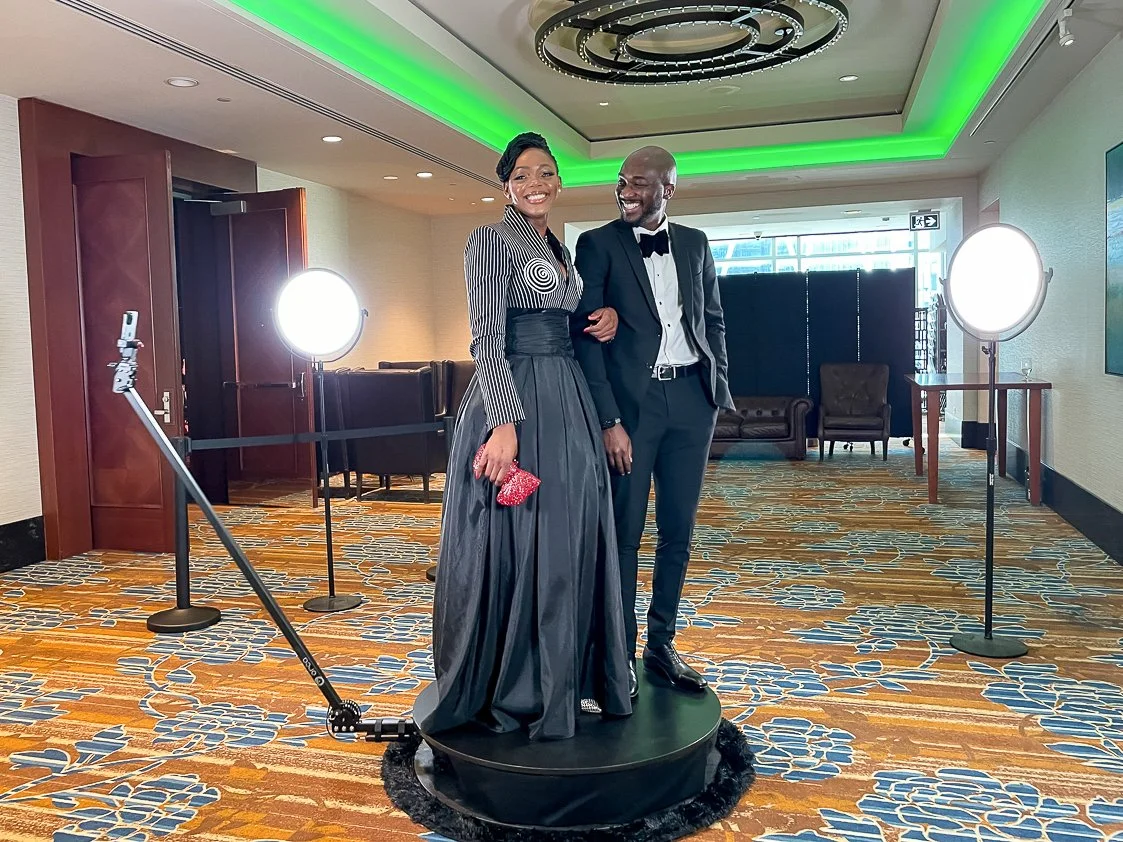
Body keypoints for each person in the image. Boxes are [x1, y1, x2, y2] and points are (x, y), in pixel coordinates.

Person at [419, 132, 633, 742]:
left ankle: (565, 677)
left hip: (566, 394)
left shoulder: (557, 246)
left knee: (568, 532)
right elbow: (487, 335)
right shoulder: (490, 238)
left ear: (559, 180)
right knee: (520, 535)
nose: (535, 183)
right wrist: (504, 422)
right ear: (505, 185)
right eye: (522, 175)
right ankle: (518, 685)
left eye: (546, 172)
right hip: (516, 397)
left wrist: (604, 320)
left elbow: (566, 316)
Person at [572, 146, 734, 697]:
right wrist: (608, 420)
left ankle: (661, 645)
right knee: (624, 534)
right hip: (633, 411)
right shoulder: (596, 244)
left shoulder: (695, 242)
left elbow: (712, 318)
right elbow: (586, 337)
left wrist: (716, 388)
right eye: (622, 182)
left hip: (692, 401)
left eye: (639, 183)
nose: (626, 191)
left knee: (678, 532)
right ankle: (618, 651)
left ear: (669, 188)